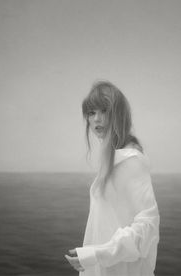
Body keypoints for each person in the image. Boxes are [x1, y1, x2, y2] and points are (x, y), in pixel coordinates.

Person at [65, 81, 160, 276]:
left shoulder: (131, 161)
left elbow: (147, 228)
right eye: (91, 113)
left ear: (118, 114)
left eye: (104, 111)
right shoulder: (114, 158)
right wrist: (93, 256)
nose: (97, 119)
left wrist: (96, 254)